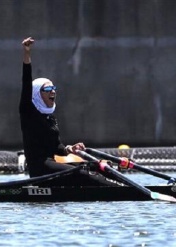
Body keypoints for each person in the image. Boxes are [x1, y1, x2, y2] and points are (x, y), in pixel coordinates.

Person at [19, 37, 122, 186]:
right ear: (36, 94)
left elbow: (58, 149)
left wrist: (71, 149)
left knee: (100, 166)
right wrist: (27, 53)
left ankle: (126, 189)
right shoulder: (28, 111)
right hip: (40, 170)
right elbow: (26, 83)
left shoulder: (49, 118)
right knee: (82, 172)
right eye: (47, 89)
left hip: (52, 165)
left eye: (53, 88)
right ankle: (120, 192)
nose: (52, 91)